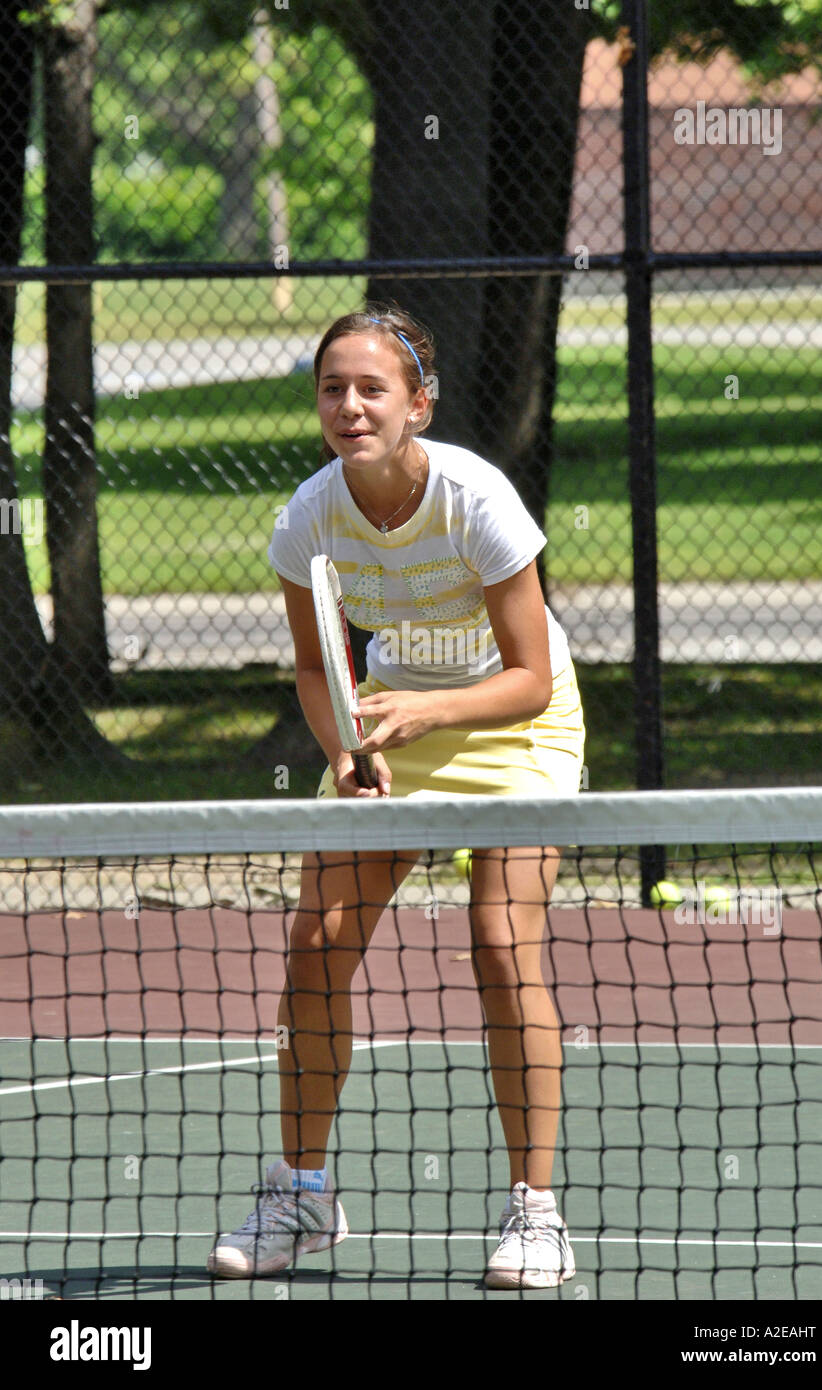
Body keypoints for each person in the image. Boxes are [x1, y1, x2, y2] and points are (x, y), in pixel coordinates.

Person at [207, 304, 585, 1290]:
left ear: (417, 403)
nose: (349, 405)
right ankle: (301, 1193)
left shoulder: (476, 499)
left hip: (511, 727)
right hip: (389, 721)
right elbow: (312, 663)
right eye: (332, 387)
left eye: (372, 387)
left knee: (501, 944)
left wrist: (426, 711)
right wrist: (342, 748)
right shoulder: (309, 515)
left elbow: (531, 678)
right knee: (316, 939)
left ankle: (534, 1214)